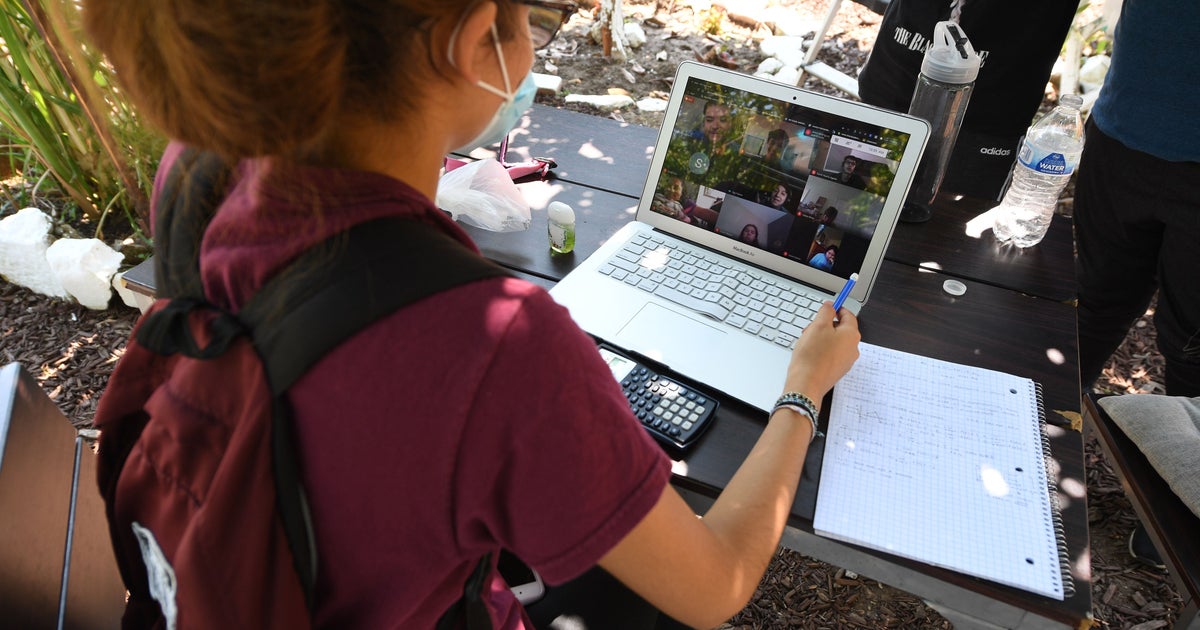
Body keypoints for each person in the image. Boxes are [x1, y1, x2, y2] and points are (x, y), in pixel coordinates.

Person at [82, 1, 862, 628]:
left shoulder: (199, 172)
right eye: (537, 15)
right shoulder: (497, 343)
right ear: (469, 38)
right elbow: (716, 584)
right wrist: (802, 390)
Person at [1073, 0, 1200, 568]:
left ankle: (1183, 495)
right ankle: (1036, 424)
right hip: (1124, 125)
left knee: (1192, 344)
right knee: (1092, 301)